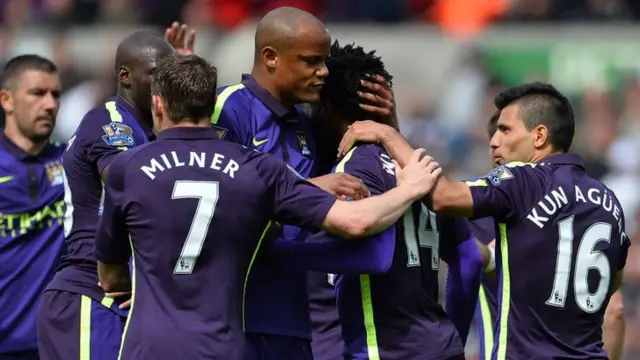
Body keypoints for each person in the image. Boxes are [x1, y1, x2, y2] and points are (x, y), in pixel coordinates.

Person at [93, 53, 443, 360]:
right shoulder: (256, 169)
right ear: (208, 104)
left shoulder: (127, 168)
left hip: (149, 345)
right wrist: (409, 188)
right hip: (224, 345)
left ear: (157, 104)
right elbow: (355, 222)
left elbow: (110, 277)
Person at [338, 82, 630, 360]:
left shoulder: (523, 179)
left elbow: (442, 197)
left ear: (539, 136)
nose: (494, 141)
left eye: (504, 130)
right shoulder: (608, 201)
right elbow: (612, 291)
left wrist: (388, 135)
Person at [297, 41, 486, 359]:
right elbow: (470, 258)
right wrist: (454, 333)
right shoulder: (420, 167)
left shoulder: (351, 171)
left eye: (315, 107)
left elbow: (364, 241)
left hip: (384, 350)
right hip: (441, 347)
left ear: (327, 107)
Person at [211, 7, 372, 359]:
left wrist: (387, 124)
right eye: (312, 61)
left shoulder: (304, 121)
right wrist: (310, 189)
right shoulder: (226, 108)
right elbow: (217, 203)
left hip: (293, 316)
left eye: (324, 61)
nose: (323, 72)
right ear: (271, 57)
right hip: (234, 313)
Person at [37, 25, 195, 360]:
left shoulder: (154, 134)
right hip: (92, 294)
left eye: (170, 76)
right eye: (156, 74)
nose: (164, 85)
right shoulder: (108, 121)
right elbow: (129, 181)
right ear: (125, 75)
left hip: (132, 296)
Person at [0, 55, 65, 360]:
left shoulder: (74, 163)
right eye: (38, 93)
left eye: (56, 95)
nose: (50, 104)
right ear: (6, 100)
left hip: (56, 346)